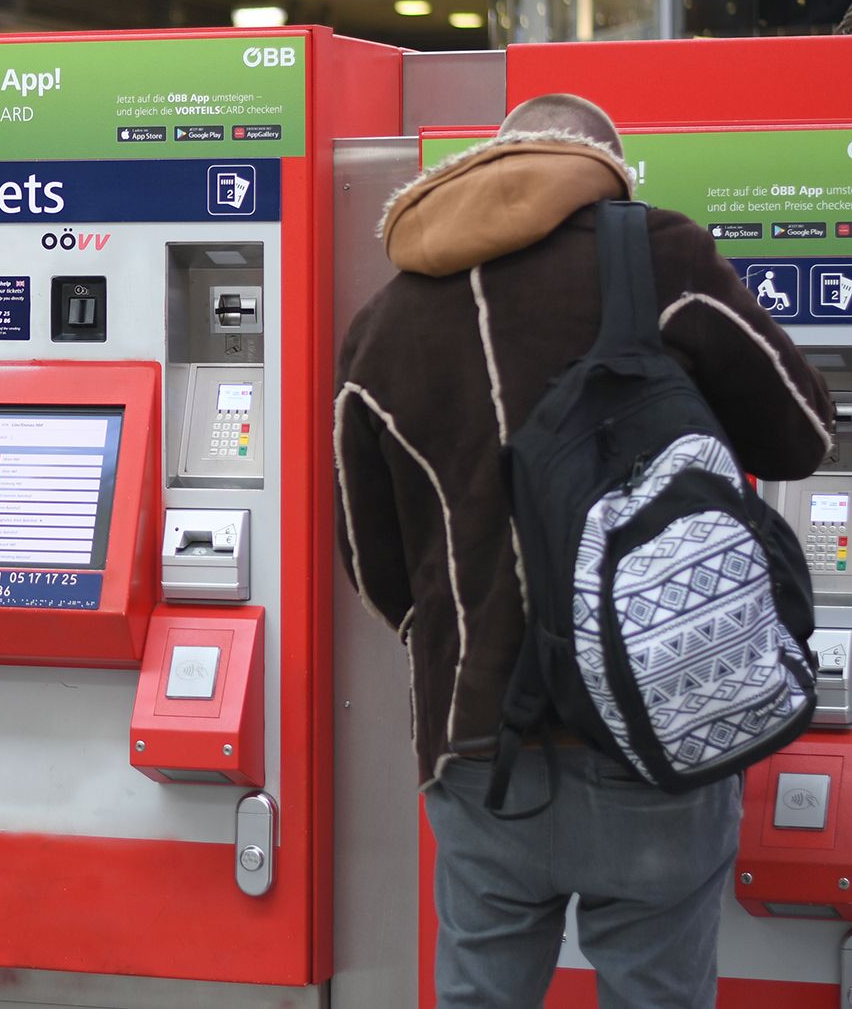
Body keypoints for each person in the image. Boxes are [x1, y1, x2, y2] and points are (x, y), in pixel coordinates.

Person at [334, 95, 833, 1008]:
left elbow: (372, 567)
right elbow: (800, 435)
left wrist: (468, 629)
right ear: (607, 174)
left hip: (478, 747)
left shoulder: (383, 325)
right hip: (659, 722)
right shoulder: (660, 258)